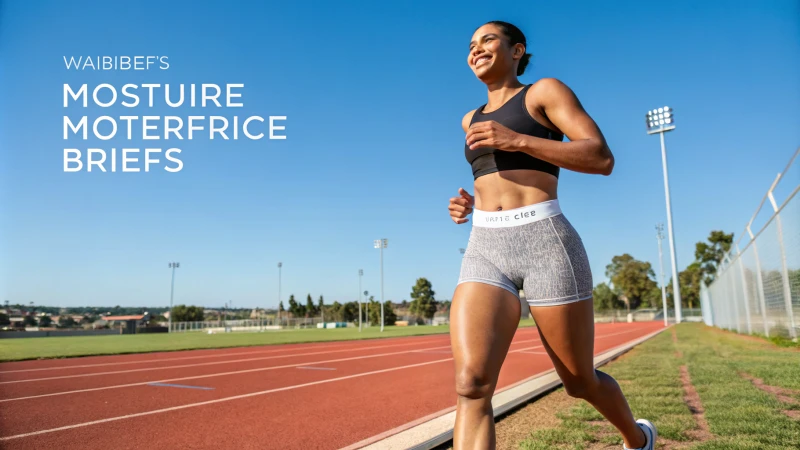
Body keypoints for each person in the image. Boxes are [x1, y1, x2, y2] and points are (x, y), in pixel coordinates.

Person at [447, 20, 657, 450]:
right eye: (471, 45)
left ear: (517, 50)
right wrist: (468, 204)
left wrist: (517, 140)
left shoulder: (543, 92)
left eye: (488, 40)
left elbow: (601, 157)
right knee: (471, 384)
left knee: (579, 381)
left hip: (545, 241)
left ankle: (637, 439)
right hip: (485, 246)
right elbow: (494, 176)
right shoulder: (469, 119)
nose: (476, 49)